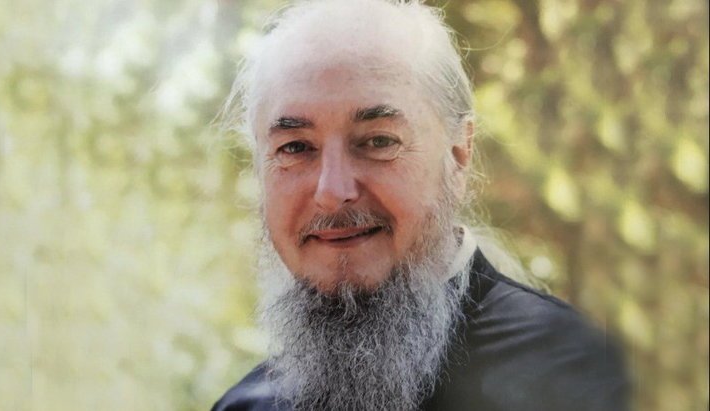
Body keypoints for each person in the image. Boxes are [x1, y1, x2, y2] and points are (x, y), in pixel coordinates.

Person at [212, 0, 630, 410]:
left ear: (459, 153)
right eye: (295, 147)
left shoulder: (587, 381)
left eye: (378, 141)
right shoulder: (245, 406)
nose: (332, 191)